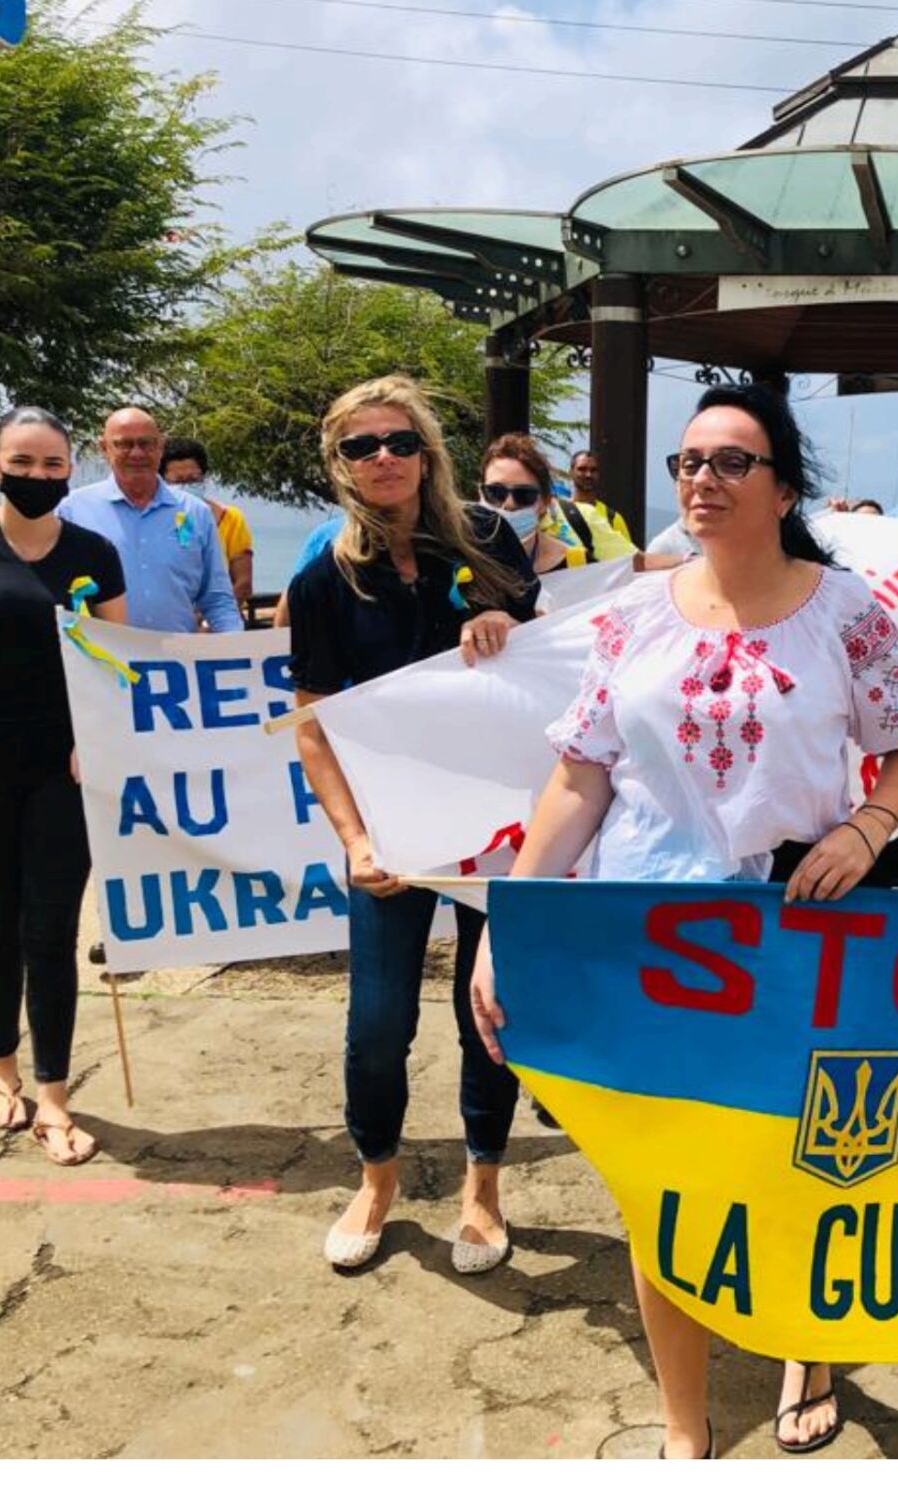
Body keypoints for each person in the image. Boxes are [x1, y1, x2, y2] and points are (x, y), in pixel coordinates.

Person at [470, 383, 898, 1459]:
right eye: (690, 461)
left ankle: (805, 1347)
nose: (705, 479)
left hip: (799, 937)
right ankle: (684, 1423)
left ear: (784, 488)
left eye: (734, 461)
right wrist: (512, 920)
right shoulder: (632, 614)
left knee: (801, 1162)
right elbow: (579, 779)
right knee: (662, 1183)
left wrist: (866, 828)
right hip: (650, 941)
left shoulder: (846, 611)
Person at [287, 375, 541, 1273]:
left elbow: (546, 663)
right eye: (362, 446)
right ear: (340, 463)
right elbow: (312, 726)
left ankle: (483, 1188)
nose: (384, 458)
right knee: (376, 1023)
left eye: (400, 441)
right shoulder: (322, 579)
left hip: (496, 827)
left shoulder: (488, 538)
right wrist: (356, 842)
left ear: (428, 453)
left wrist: (505, 619)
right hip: (392, 835)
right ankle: (377, 1179)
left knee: (489, 1012)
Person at [0, 407, 128, 1165]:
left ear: (71, 469)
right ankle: (0, 1072)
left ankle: (54, 1094)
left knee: (50, 931)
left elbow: (120, 662)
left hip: (64, 773)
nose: (38, 476)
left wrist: (93, 738)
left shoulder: (94, 553)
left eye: (53, 464)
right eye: (23, 462)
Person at [60, 408, 242, 634]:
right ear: (104, 448)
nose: (137, 453)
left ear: (160, 447)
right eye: (124, 444)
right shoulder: (71, 511)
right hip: (101, 654)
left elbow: (217, 598)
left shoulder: (195, 512)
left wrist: (237, 646)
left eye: (146, 443)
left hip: (177, 653)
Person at [159, 437, 255, 613]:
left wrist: (207, 617)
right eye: (178, 481)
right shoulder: (155, 521)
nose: (186, 486)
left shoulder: (230, 518)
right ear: (163, 481)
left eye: (193, 479)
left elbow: (243, 583)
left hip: (220, 619)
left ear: (204, 477)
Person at [479, 433, 590, 575]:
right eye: (495, 492)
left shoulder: (580, 566)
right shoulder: (458, 562)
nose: (509, 504)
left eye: (524, 494)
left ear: (545, 502)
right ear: (480, 493)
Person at [565, 449, 637, 559]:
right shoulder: (559, 512)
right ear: (571, 472)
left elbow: (628, 559)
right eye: (582, 469)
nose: (588, 474)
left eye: (593, 470)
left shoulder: (613, 519)